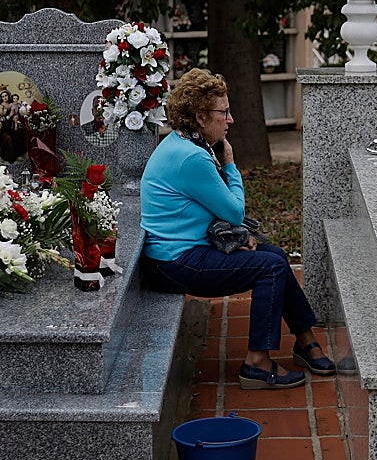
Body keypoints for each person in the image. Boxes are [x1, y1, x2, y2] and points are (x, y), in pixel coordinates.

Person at [139, 68, 335, 389]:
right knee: (269, 267)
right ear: (201, 117)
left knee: (276, 256)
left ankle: (305, 339)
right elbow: (234, 211)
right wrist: (230, 163)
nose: (230, 120)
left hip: (179, 253)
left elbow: (210, 213)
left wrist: (239, 238)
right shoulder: (192, 157)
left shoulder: (184, 144)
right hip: (174, 263)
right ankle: (256, 363)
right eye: (224, 112)